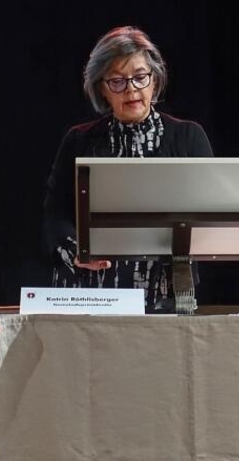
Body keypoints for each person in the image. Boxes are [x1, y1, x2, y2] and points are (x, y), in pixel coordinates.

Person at [43, 26, 213, 311]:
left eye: (139, 77)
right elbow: (55, 215)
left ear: (155, 81)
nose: (131, 88)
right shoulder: (78, 140)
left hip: (164, 292)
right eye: (117, 81)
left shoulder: (188, 137)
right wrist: (77, 252)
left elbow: (211, 214)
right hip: (89, 292)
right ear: (102, 89)